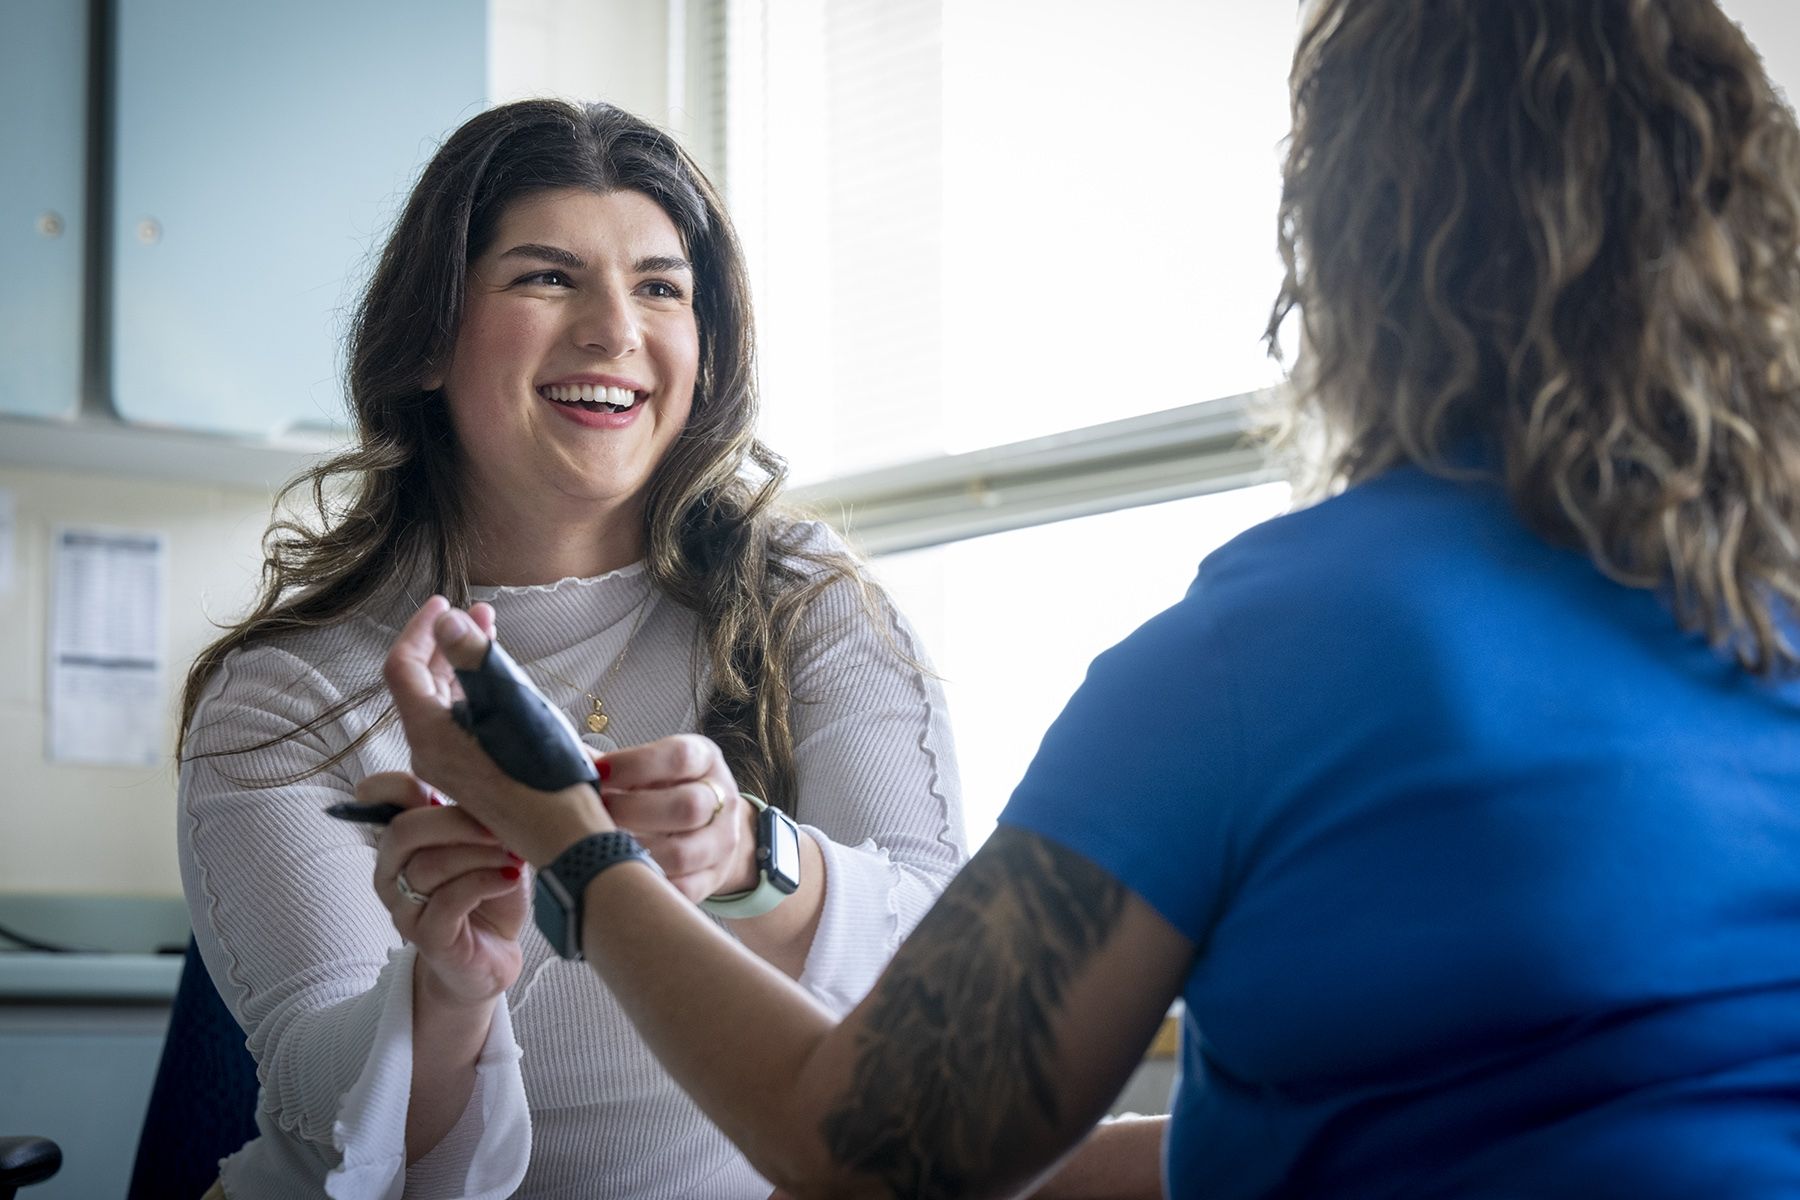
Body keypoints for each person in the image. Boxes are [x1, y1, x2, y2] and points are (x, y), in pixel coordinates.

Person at [370, 1, 1800, 1196]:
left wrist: (567, 838)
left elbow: (864, 1142)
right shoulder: (1767, 607)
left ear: (1350, 249)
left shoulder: (1281, 648)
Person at [176, 99, 977, 1199]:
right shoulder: (285, 696)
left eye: (660, 287)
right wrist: (446, 992)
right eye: (547, 278)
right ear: (426, 341)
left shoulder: (809, 602)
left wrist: (746, 861)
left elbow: (953, 979)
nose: (615, 330)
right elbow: (321, 1114)